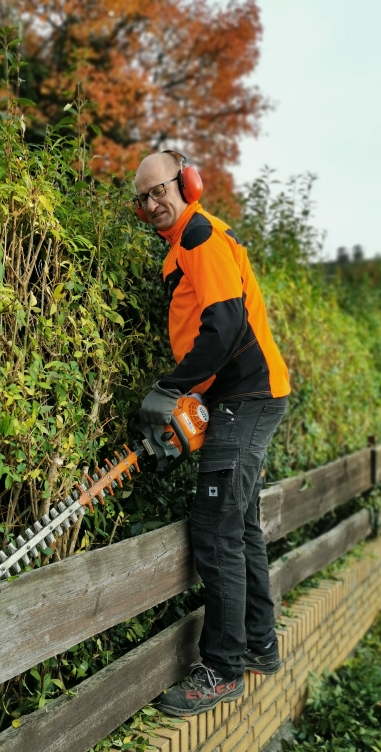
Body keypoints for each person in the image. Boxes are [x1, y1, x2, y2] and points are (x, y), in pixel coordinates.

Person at [133, 150, 291, 717]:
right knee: (241, 526)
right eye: (143, 198)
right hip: (240, 397)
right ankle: (259, 646)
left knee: (215, 527)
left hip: (244, 397)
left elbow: (224, 327)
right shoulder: (185, 246)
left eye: (160, 191)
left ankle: (222, 669)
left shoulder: (200, 236)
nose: (152, 204)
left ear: (188, 183)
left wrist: (172, 388)